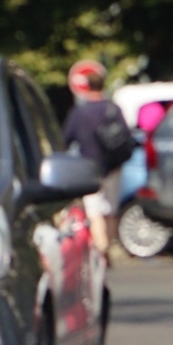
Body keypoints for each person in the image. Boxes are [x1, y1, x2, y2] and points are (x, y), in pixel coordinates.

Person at [59, 60, 131, 256]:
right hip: (114, 165)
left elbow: (65, 139)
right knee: (111, 209)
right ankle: (112, 244)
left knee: (94, 210)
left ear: (86, 86)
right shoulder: (113, 109)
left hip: (90, 167)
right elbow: (126, 135)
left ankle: (101, 248)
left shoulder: (80, 112)